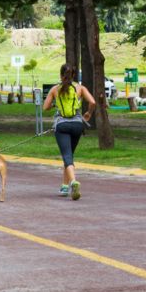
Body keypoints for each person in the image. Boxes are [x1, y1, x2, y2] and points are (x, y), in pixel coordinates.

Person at [42, 64, 95, 200]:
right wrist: (88, 113)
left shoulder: (55, 89)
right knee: (69, 155)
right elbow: (93, 102)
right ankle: (65, 186)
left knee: (67, 156)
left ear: (61, 75)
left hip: (62, 125)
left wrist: (54, 104)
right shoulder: (80, 88)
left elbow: (45, 107)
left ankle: (73, 182)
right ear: (73, 75)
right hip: (77, 125)